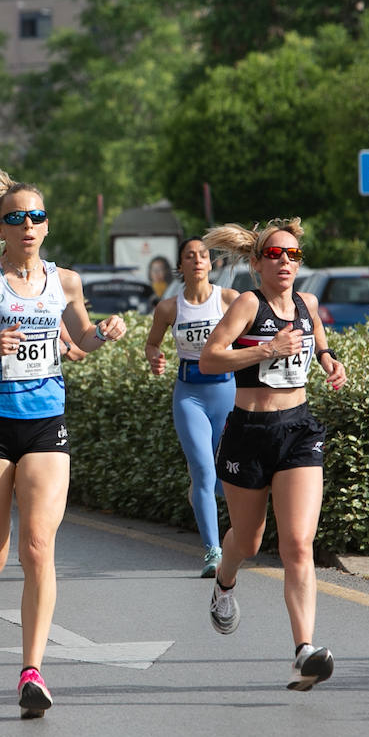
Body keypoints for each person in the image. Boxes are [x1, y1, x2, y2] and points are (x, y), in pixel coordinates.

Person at [0, 157, 126, 718]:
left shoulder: (65, 281)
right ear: (0, 229)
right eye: (17, 218)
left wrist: (104, 333)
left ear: (46, 224)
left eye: (37, 216)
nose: (28, 226)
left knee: (39, 547)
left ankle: (32, 670)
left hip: (44, 423)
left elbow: (79, 338)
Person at [198, 218, 347, 691]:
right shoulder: (247, 304)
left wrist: (329, 361)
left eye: (293, 255)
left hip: (298, 430)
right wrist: (266, 349)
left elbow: (319, 344)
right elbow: (210, 358)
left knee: (298, 544)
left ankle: (304, 649)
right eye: (276, 255)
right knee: (248, 540)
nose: (285, 262)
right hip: (248, 432)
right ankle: (225, 580)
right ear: (258, 263)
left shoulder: (308, 303)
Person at [144, 235, 239, 577]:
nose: (198, 260)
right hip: (190, 396)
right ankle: (213, 552)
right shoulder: (169, 308)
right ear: (181, 266)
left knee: (222, 478)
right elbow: (152, 344)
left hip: (226, 393)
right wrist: (155, 357)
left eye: (203, 255)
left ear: (210, 263)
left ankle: (209, 505)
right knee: (202, 469)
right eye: (190, 255)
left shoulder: (229, 300)